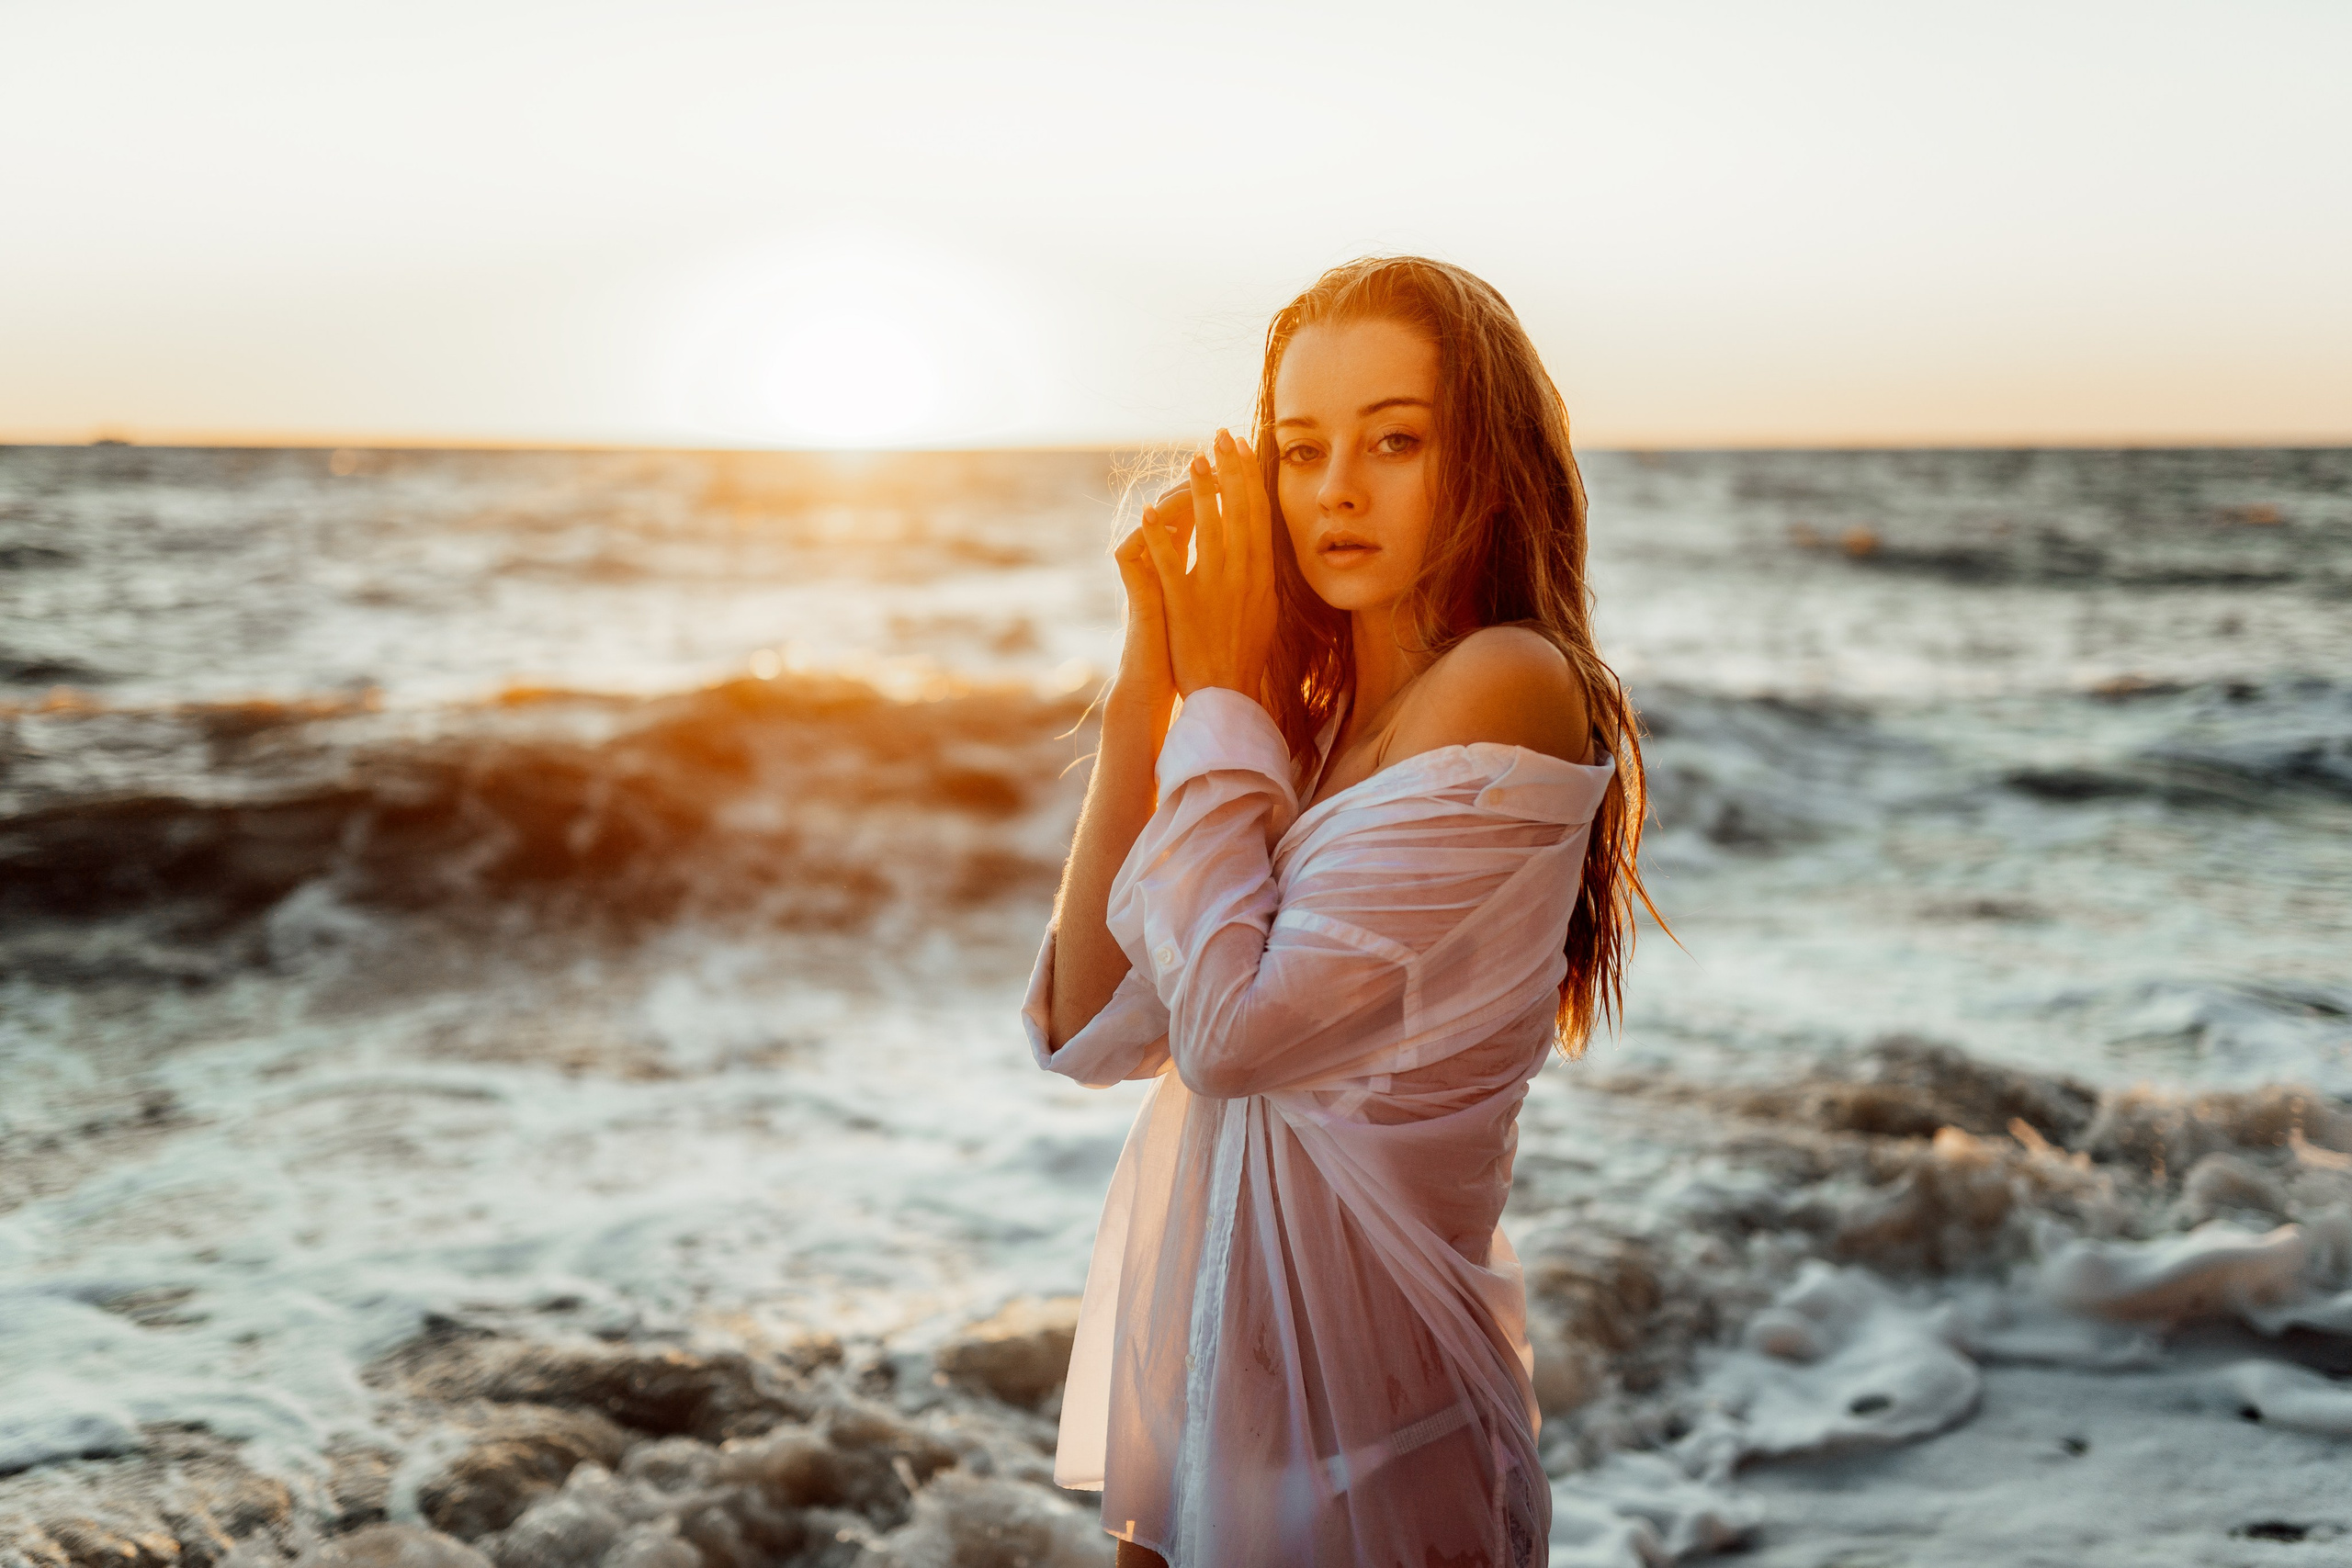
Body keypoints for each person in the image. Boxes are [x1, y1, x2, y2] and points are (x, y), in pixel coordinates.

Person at [1022, 255, 1653, 1567]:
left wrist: (1218, 704)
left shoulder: (1508, 684)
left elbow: (1230, 1039)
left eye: (1396, 441)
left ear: (1487, 462)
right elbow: (1088, 1027)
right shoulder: (1288, 746)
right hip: (1217, 1411)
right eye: (1301, 452)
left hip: (1380, 1445)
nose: (1339, 491)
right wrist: (1155, 673)